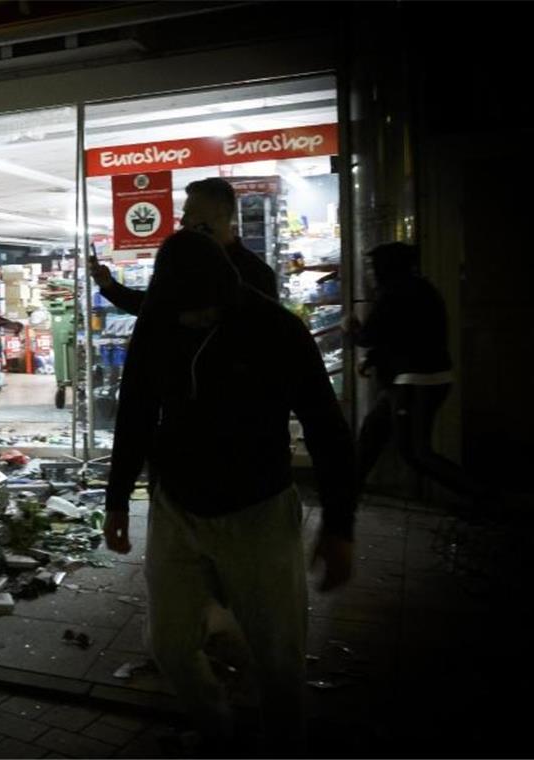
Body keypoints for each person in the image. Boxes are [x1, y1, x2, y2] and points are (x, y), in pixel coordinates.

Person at [103, 228, 356, 753]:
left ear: (226, 290)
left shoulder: (275, 328)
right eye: (184, 310)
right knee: (169, 643)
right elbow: (135, 412)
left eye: (204, 310)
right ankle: (216, 730)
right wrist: (117, 499)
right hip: (176, 506)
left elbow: (326, 428)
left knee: (278, 656)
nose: (193, 320)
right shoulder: (159, 319)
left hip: (258, 509)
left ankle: (283, 744)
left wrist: (339, 526)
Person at [347, 242, 483, 502]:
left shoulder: (394, 293)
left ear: (386, 267)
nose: (372, 273)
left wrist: (350, 327)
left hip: (415, 382)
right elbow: (406, 334)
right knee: (373, 431)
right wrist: (373, 359)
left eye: (374, 267)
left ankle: (482, 496)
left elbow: (369, 336)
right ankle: (348, 489)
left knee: (416, 453)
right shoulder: (422, 289)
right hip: (418, 379)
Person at [89, 177, 278, 313]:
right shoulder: (183, 265)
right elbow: (152, 307)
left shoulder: (256, 273)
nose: (183, 221)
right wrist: (110, 286)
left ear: (220, 212)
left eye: (192, 213)